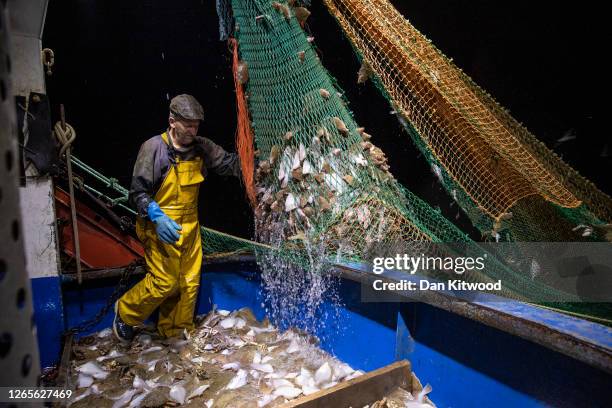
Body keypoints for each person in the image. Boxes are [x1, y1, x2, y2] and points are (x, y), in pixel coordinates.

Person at [113, 94, 241, 342]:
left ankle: (176, 332)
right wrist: (156, 216)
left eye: (196, 125)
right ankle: (126, 312)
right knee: (165, 282)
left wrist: (259, 164)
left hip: (190, 226)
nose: (193, 130)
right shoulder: (153, 148)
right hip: (159, 224)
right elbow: (137, 192)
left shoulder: (202, 147)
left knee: (189, 283)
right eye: (188, 124)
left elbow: (229, 164)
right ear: (172, 121)